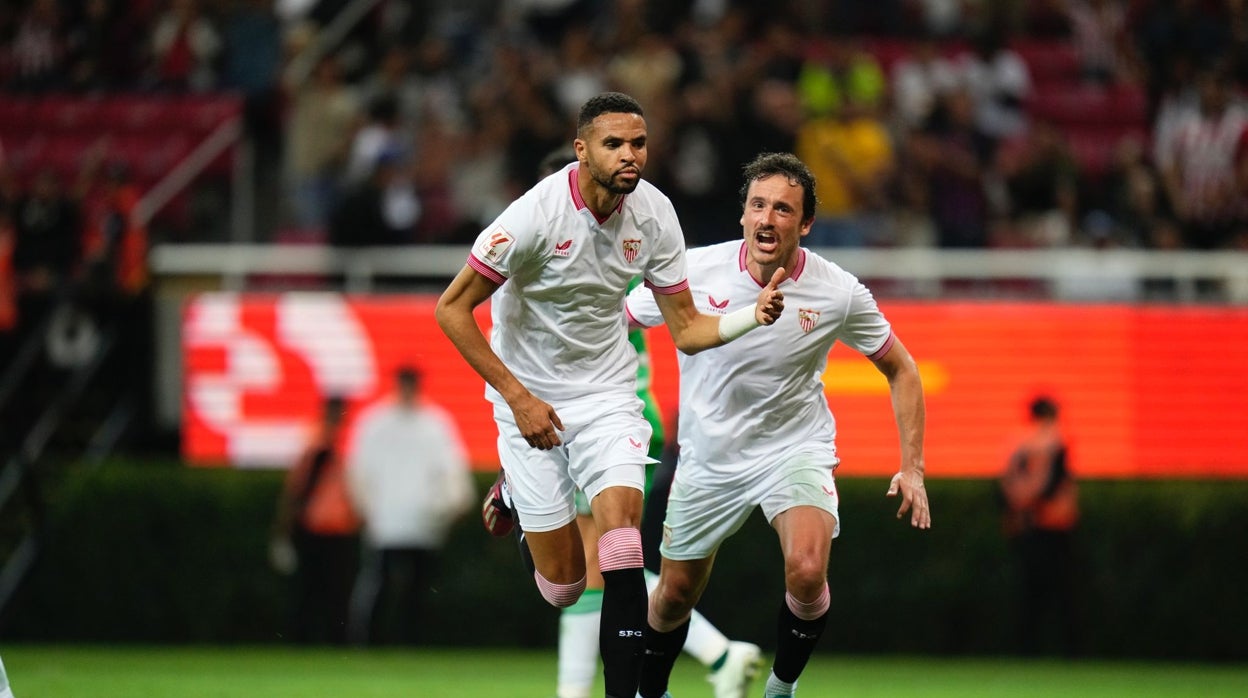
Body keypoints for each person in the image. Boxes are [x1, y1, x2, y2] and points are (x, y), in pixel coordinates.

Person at [435, 92, 785, 698]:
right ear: (582, 150)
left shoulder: (655, 215)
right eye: (614, 144)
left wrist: (750, 317)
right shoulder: (531, 217)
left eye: (639, 143)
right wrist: (519, 399)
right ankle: (519, 496)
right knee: (565, 586)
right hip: (529, 397)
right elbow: (452, 310)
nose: (630, 155)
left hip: (606, 395)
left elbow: (687, 329)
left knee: (621, 543)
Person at [626, 152, 932, 698]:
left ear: (805, 223)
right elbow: (620, 319)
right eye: (758, 205)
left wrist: (913, 466)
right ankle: (649, 693)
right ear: (742, 214)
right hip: (709, 457)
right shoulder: (694, 271)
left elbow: (901, 369)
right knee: (672, 595)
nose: (767, 219)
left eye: (784, 209)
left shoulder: (837, 291)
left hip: (794, 447)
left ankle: (779, 689)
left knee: (808, 570)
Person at [345, 366, 473, 645]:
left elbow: (451, 472)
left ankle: (407, 641)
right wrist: (365, 509)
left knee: (416, 589)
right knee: (384, 585)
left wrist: (452, 504)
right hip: (386, 522)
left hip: (421, 522)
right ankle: (370, 641)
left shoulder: (433, 423)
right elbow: (359, 472)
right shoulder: (376, 423)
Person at [269, 394, 360, 645]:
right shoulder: (317, 448)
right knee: (310, 592)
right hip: (315, 531)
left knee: (334, 594)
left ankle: (331, 642)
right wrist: (284, 532)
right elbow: (296, 493)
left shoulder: (342, 448)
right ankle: (302, 640)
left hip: (340, 531)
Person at [999, 395, 1079, 657]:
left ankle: (1029, 649)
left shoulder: (1022, 443)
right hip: (1053, 527)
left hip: (1033, 527)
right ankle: (1066, 650)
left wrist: (1018, 505)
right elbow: (1051, 485)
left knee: (1034, 594)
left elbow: (1008, 484)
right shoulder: (1055, 442)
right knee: (1060, 594)